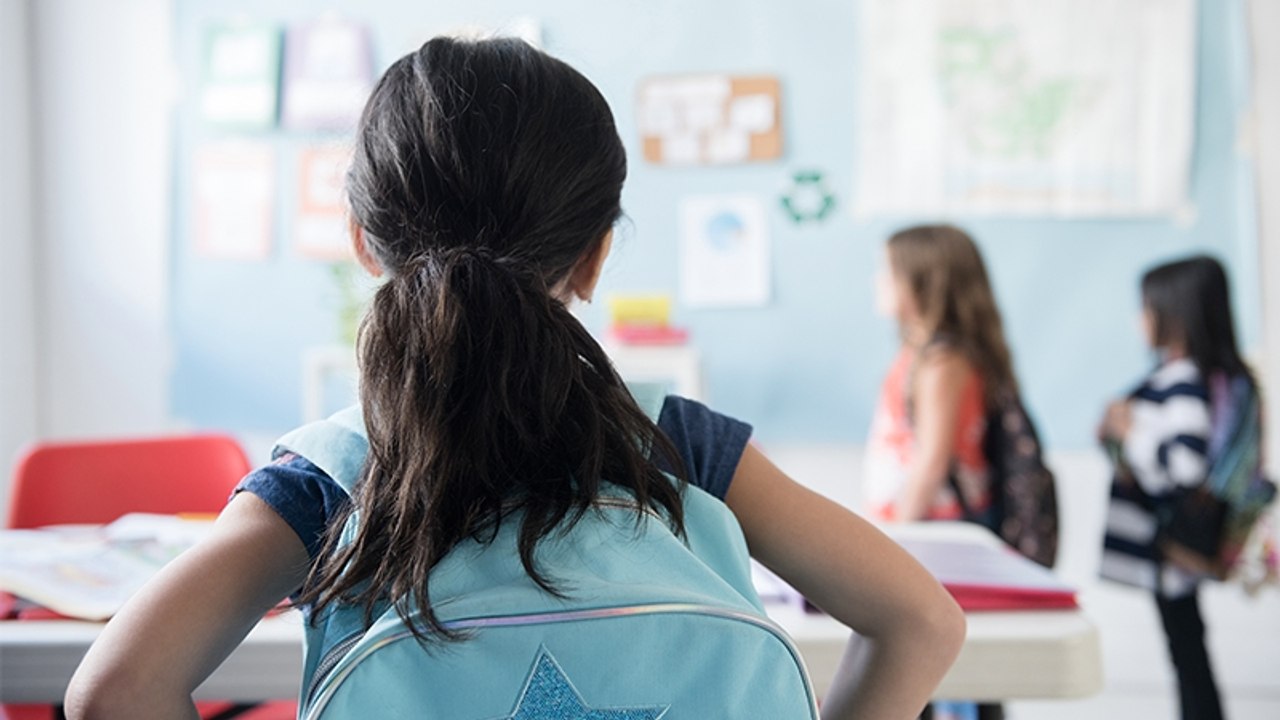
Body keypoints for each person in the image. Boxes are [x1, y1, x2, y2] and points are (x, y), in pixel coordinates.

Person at [64, 38, 964, 720]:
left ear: (363, 242)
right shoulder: (673, 444)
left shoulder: (331, 477)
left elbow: (115, 688)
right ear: (598, 254)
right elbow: (923, 622)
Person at [864, 224, 1020, 720]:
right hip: (927, 537)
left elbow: (931, 461)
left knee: (938, 676)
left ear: (923, 283)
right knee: (936, 676)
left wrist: (895, 538)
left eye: (887, 272)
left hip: (933, 537)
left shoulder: (943, 362)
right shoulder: (925, 354)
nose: (877, 282)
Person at [1098, 255, 1260, 720]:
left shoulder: (1181, 382)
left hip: (1171, 548)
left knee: (1186, 651)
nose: (1139, 320)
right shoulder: (1203, 379)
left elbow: (1183, 467)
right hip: (1173, 548)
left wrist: (1131, 434)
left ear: (1176, 315)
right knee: (1187, 648)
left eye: (1147, 309)